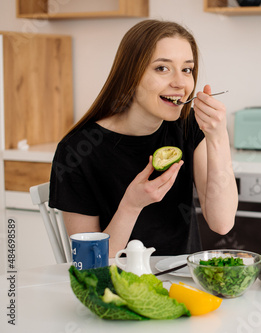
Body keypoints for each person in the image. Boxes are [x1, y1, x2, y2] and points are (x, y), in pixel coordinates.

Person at [49, 19, 238, 257]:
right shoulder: (77, 150)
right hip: (117, 287)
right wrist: (131, 205)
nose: (180, 83)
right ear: (131, 74)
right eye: (162, 68)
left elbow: (222, 223)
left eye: (187, 69)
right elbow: (90, 260)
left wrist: (218, 137)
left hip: (180, 282)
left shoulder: (188, 127)